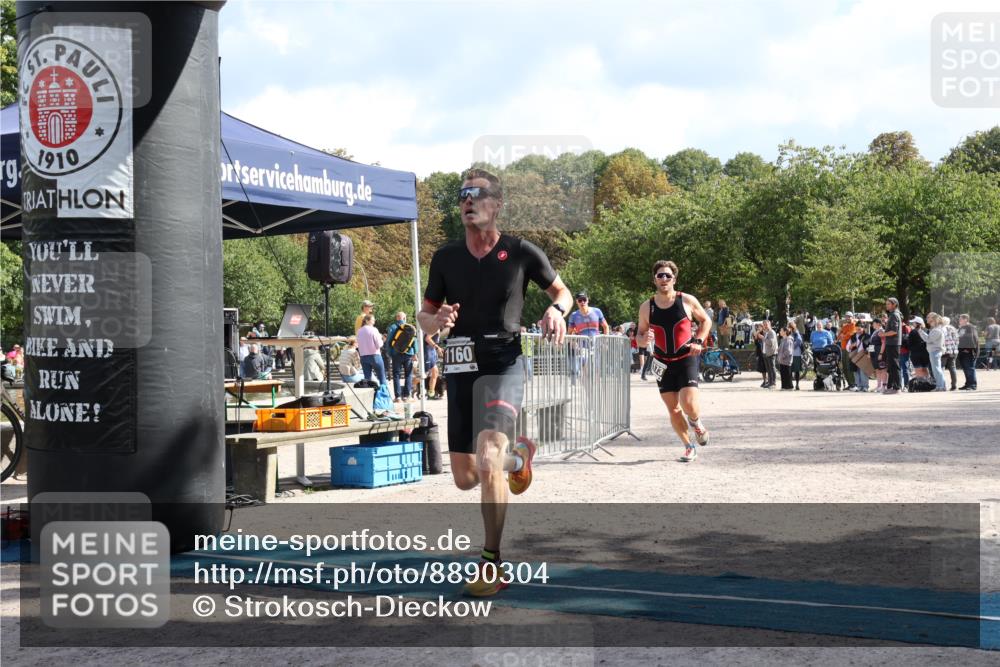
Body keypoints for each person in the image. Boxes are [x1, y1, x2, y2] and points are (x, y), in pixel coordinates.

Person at [417, 167, 571, 597]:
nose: (468, 201)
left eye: (477, 195)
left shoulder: (520, 252)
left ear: (496, 205)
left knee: (487, 456)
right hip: (461, 369)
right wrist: (436, 320)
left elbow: (563, 292)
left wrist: (556, 312)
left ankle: (491, 562)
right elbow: (424, 315)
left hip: (504, 364)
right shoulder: (446, 258)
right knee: (467, 477)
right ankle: (520, 461)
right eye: (463, 195)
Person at [636, 260, 712, 463]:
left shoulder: (686, 300)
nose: (663, 279)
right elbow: (639, 336)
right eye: (660, 275)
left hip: (686, 358)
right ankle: (689, 446)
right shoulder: (647, 307)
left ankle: (696, 422)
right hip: (662, 362)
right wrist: (645, 339)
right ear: (654, 280)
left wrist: (698, 340)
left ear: (674, 279)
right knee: (673, 409)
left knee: (688, 404)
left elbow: (706, 320)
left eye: (667, 275)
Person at [386, 312, 417, 402]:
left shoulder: (392, 327)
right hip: (408, 354)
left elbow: (389, 341)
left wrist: (389, 353)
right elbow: (414, 340)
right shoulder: (410, 327)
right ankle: (406, 396)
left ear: (397, 318)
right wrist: (415, 353)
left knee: (396, 375)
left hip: (396, 354)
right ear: (404, 318)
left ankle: (398, 397)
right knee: (408, 374)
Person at [356, 314, 387, 386]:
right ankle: (384, 395)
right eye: (373, 320)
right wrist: (382, 340)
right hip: (375, 355)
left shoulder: (359, 331)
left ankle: (369, 395)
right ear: (367, 321)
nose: (374, 321)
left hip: (363, 356)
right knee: (382, 378)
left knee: (367, 379)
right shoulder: (374, 330)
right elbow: (379, 344)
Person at [881, 298, 903, 394]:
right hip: (892, 343)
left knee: (894, 365)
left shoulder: (894, 315)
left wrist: (883, 334)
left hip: (893, 343)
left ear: (894, 304)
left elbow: (894, 331)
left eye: (889, 304)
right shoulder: (894, 314)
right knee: (891, 366)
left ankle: (897, 387)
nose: (887, 306)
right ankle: (891, 386)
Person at [836, 312, 859, 390]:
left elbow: (850, 334)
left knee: (849, 366)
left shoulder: (854, 325)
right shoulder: (845, 326)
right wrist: (841, 334)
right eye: (846, 317)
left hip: (850, 348)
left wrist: (843, 335)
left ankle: (853, 384)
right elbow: (839, 336)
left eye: (849, 317)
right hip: (843, 348)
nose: (847, 318)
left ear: (852, 317)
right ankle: (849, 384)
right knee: (845, 366)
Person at [956, 314, 979, 390]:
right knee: (965, 368)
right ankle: (968, 384)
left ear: (965, 319)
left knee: (969, 368)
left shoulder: (970, 327)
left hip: (968, 351)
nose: (959, 321)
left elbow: (973, 338)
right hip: (961, 351)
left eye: (960, 319)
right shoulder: (962, 328)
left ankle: (972, 385)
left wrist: (969, 349)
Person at [907, 315, 930, 380]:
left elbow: (909, 343)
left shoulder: (913, 332)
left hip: (916, 354)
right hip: (926, 353)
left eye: (913, 322)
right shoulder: (927, 330)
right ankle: (927, 383)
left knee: (918, 369)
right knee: (925, 368)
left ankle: (920, 384)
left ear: (917, 323)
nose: (912, 324)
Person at [941, 316, 959, 391]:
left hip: (945, 351)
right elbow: (957, 340)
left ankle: (942, 384)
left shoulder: (941, 329)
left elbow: (941, 340)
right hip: (953, 351)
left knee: (941, 367)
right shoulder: (953, 328)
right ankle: (954, 385)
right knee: (952, 368)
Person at [424, 331, 443, 399]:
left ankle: (431, 393)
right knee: (423, 374)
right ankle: (408, 388)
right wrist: (437, 348)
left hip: (431, 352)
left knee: (435, 373)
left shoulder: (438, 328)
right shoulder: (434, 327)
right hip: (427, 352)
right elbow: (427, 338)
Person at [759, 319, 778, 389]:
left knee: (772, 368)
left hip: (771, 353)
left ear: (769, 325)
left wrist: (763, 338)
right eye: (764, 325)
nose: (765, 326)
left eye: (766, 325)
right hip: (765, 353)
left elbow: (771, 343)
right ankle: (770, 382)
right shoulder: (766, 332)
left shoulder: (771, 332)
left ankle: (773, 383)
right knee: (768, 369)